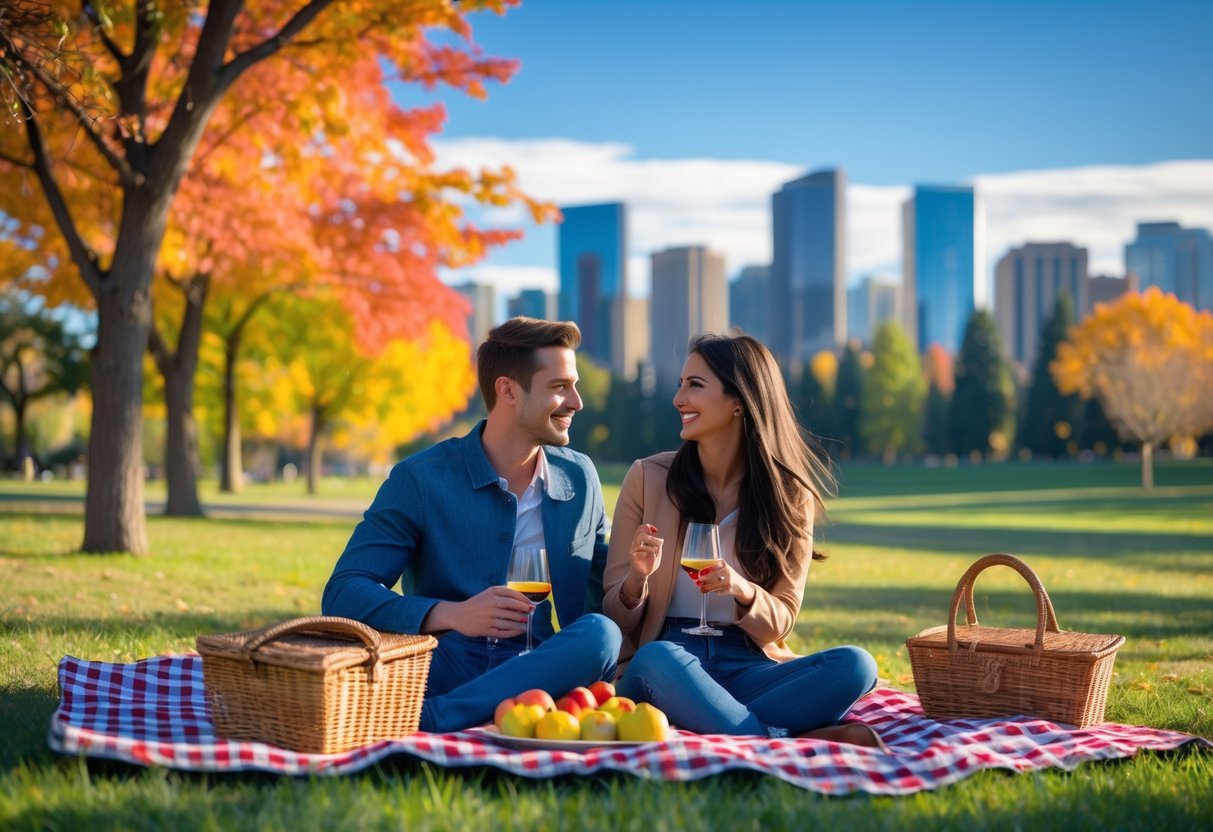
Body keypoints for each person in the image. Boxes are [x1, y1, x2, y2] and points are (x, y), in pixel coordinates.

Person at [323, 317, 621, 733]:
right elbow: (343, 591)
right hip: (449, 662)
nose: (576, 401)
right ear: (508, 391)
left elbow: (600, 591)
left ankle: (440, 717)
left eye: (573, 385)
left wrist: (637, 579)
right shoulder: (421, 478)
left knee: (602, 634)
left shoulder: (580, 476)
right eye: (559, 387)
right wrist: (454, 614)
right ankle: (491, 710)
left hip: (541, 665)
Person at [602, 332, 882, 746]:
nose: (679, 399)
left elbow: (782, 619)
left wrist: (743, 591)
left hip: (749, 666)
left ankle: (733, 727)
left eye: (695, 385)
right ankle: (778, 737)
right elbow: (614, 614)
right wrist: (637, 580)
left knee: (858, 665)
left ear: (739, 401)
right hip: (672, 662)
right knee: (655, 659)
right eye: (680, 384)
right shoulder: (648, 478)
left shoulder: (789, 496)